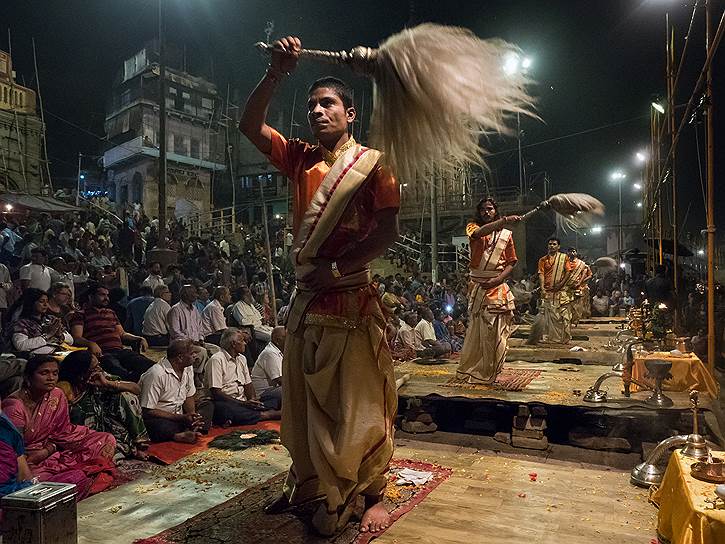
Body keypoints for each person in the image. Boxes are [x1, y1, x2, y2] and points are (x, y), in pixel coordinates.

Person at [240, 36, 399, 535]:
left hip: (350, 299)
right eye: (310, 106)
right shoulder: (301, 158)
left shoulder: (374, 163)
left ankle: (365, 492)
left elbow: (387, 232)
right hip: (308, 302)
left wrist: (339, 267)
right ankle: (312, 486)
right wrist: (275, 73)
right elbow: (248, 126)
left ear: (350, 112)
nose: (316, 112)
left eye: (327, 103)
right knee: (306, 405)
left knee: (355, 409)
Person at [2, 355, 117, 500]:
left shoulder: (56, 395)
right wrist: (36, 458)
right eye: (44, 373)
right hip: (27, 460)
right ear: (28, 377)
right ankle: (71, 477)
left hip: (51, 449)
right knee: (33, 483)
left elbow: (63, 431)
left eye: (55, 373)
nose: (51, 378)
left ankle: (69, 475)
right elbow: (13, 451)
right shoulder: (14, 407)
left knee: (105, 439)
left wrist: (48, 450)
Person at [455, 198, 519, 383]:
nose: (486, 212)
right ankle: (474, 368)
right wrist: (504, 220)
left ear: (495, 211)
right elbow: (481, 232)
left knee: (494, 331)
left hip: (497, 287)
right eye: (483, 209)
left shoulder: (506, 234)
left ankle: (491, 369)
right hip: (478, 287)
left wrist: (498, 279)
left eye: (490, 209)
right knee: (477, 331)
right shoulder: (472, 227)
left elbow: (511, 261)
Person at [57, 350, 150, 460]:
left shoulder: (98, 376)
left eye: (99, 365)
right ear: (81, 373)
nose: (99, 369)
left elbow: (136, 389)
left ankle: (137, 445)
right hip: (81, 436)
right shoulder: (64, 388)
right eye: (95, 368)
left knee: (126, 396)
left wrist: (108, 383)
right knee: (103, 453)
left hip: (103, 426)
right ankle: (121, 449)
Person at [69, 283, 155, 382]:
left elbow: (122, 334)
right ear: (91, 296)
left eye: (107, 295)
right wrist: (91, 344)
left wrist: (139, 338)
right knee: (120, 373)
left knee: (153, 368)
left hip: (120, 351)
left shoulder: (111, 313)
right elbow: (76, 338)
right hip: (103, 353)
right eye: (102, 295)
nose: (106, 298)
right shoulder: (80, 314)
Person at [205, 328, 281, 425]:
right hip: (227, 402)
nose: (245, 343)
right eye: (242, 341)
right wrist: (243, 404)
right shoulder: (216, 360)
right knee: (225, 410)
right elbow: (216, 393)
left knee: (274, 400)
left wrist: (253, 401)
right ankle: (266, 415)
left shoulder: (242, 358)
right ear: (233, 344)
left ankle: (255, 413)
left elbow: (248, 384)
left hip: (243, 402)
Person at [138, 339, 204, 444]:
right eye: (192, 353)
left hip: (178, 415)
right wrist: (181, 418)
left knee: (206, 409)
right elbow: (147, 410)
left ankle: (188, 430)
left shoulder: (188, 368)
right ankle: (177, 435)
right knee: (159, 426)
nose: (195, 356)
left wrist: (192, 416)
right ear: (180, 357)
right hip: (159, 417)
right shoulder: (156, 374)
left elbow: (189, 396)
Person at [530, 238, 573, 344]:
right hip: (548, 292)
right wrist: (543, 288)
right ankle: (549, 338)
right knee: (547, 316)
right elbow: (541, 274)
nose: (552, 246)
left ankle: (560, 339)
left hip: (560, 292)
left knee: (560, 316)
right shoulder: (543, 260)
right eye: (550, 244)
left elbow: (568, 272)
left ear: (558, 246)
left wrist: (560, 284)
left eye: (554, 244)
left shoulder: (564, 258)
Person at [11, 289, 74, 356]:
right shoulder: (22, 323)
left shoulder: (51, 318)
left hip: (58, 352)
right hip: (37, 358)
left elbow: (71, 341)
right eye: (41, 301)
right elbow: (21, 346)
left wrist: (60, 335)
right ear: (31, 303)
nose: (45, 305)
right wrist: (48, 335)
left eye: (47, 302)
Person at [250, 326, 285, 402]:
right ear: (277, 340)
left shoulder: (279, 351)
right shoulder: (270, 353)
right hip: (264, 393)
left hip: (274, 389)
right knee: (293, 391)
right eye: (286, 337)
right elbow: (280, 380)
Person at [565, 248, 592, 327]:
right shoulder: (564, 263)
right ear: (567, 253)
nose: (572, 253)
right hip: (567, 287)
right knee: (567, 305)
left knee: (577, 306)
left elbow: (588, 275)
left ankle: (575, 321)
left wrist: (581, 282)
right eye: (570, 251)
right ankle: (568, 321)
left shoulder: (582, 264)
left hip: (579, 287)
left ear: (576, 253)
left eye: (573, 251)